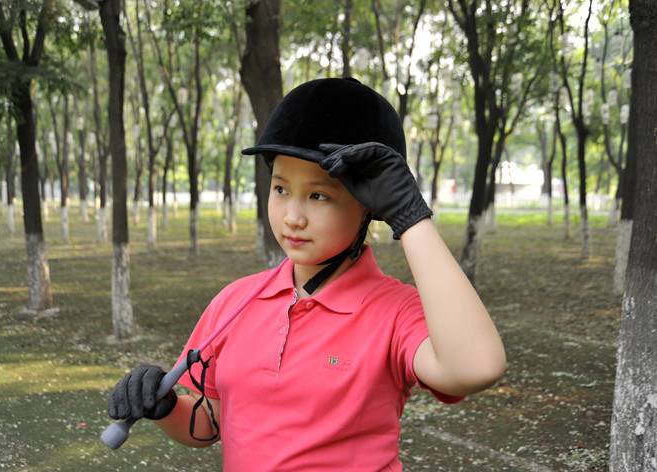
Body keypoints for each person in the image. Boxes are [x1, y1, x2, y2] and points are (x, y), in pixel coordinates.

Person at [107, 77, 507, 471]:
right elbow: (210, 423)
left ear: (369, 204)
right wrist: (164, 407)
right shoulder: (235, 302)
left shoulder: (395, 311)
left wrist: (410, 216)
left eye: (319, 195)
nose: (293, 217)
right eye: (281, 189)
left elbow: (475, 367)